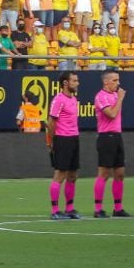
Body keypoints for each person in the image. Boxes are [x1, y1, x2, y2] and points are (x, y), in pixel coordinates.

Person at [92, 70, 130, 218]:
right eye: (115, 80)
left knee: (120, 174)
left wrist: (118, 97)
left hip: (116, 135)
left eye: (118, 80)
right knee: (104, 173)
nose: (118, 83)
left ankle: (118, 208)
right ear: (106, 82)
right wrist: (120, 99)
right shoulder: (101, 97)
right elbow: (112, 114)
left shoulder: (114, 95)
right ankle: (98, 208)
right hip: (106, 137)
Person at [47, 71, 81, 219]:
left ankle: (70, 208)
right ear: (65, 83)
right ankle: (55, 210)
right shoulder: (58, 100)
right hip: (62, 139)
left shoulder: (73, 99)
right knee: (60, 175)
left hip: (74, 138)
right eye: (74, 80)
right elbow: (51, 122)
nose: (77, 83)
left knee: (73, 175)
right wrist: (52, 141)